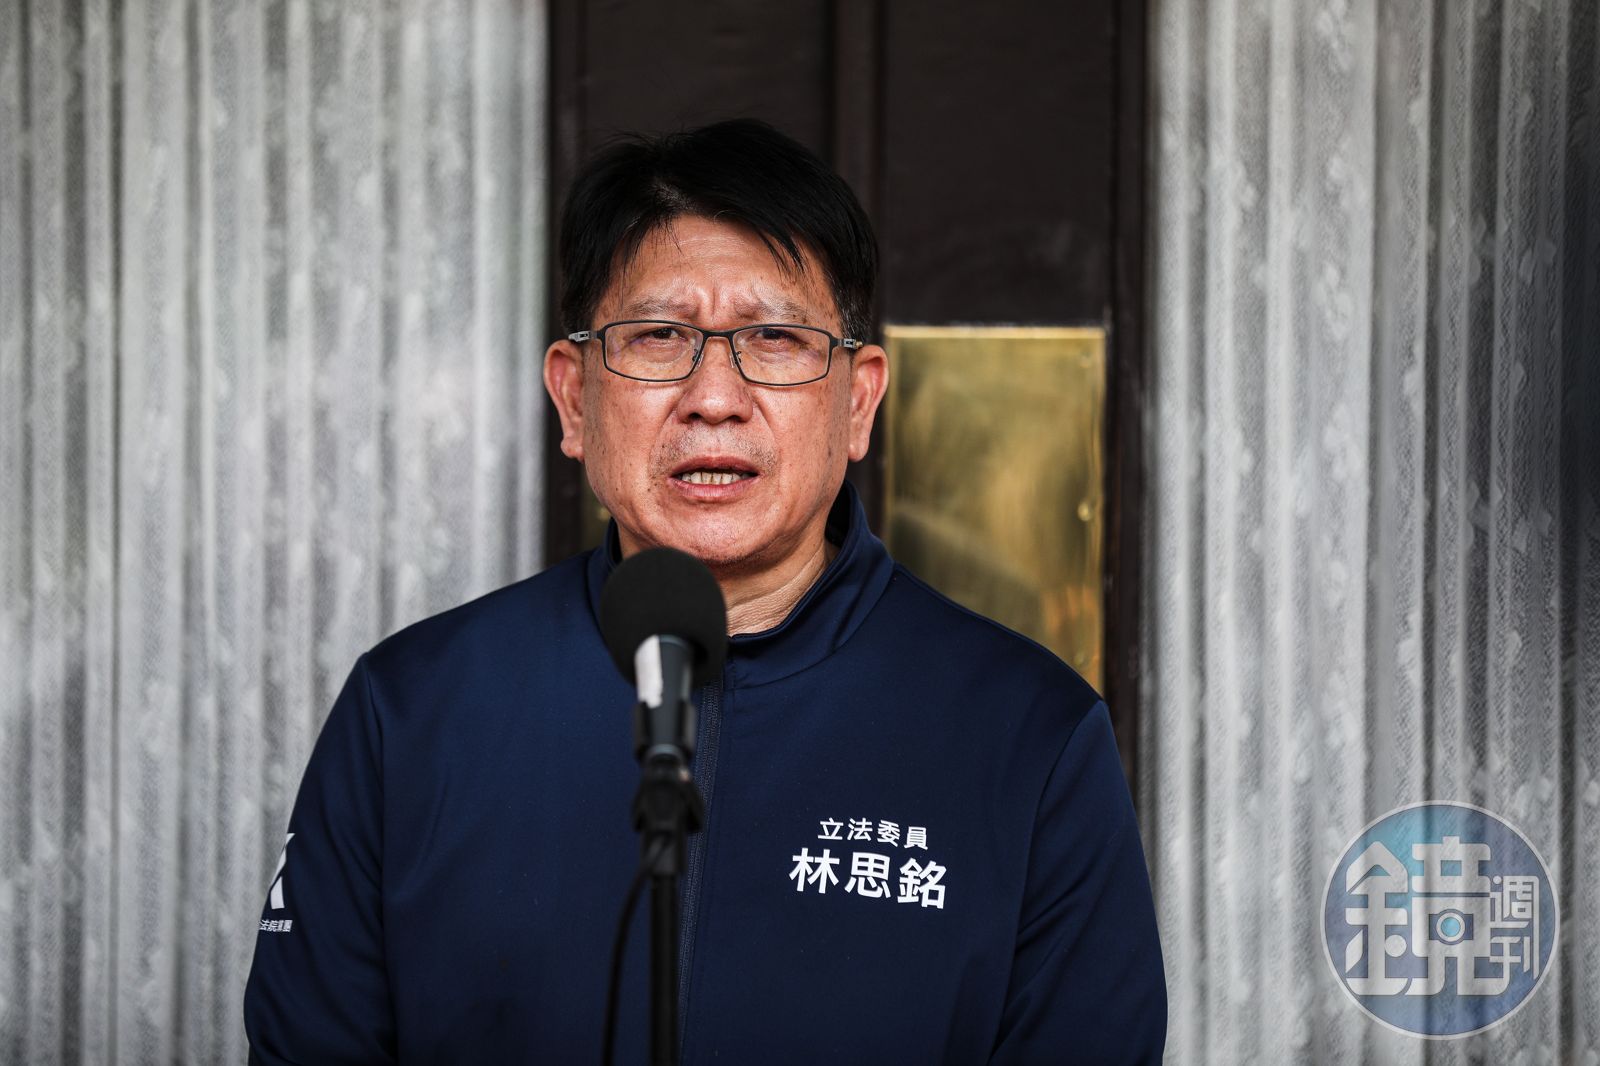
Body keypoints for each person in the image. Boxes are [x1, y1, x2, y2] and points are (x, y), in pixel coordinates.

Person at [243, 119, 1166, 1063]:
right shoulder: (413, 711)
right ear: (573, 398)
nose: (714, 397)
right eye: (659, 336)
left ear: (857, 401)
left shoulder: (1029, 739)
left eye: (775, 337)